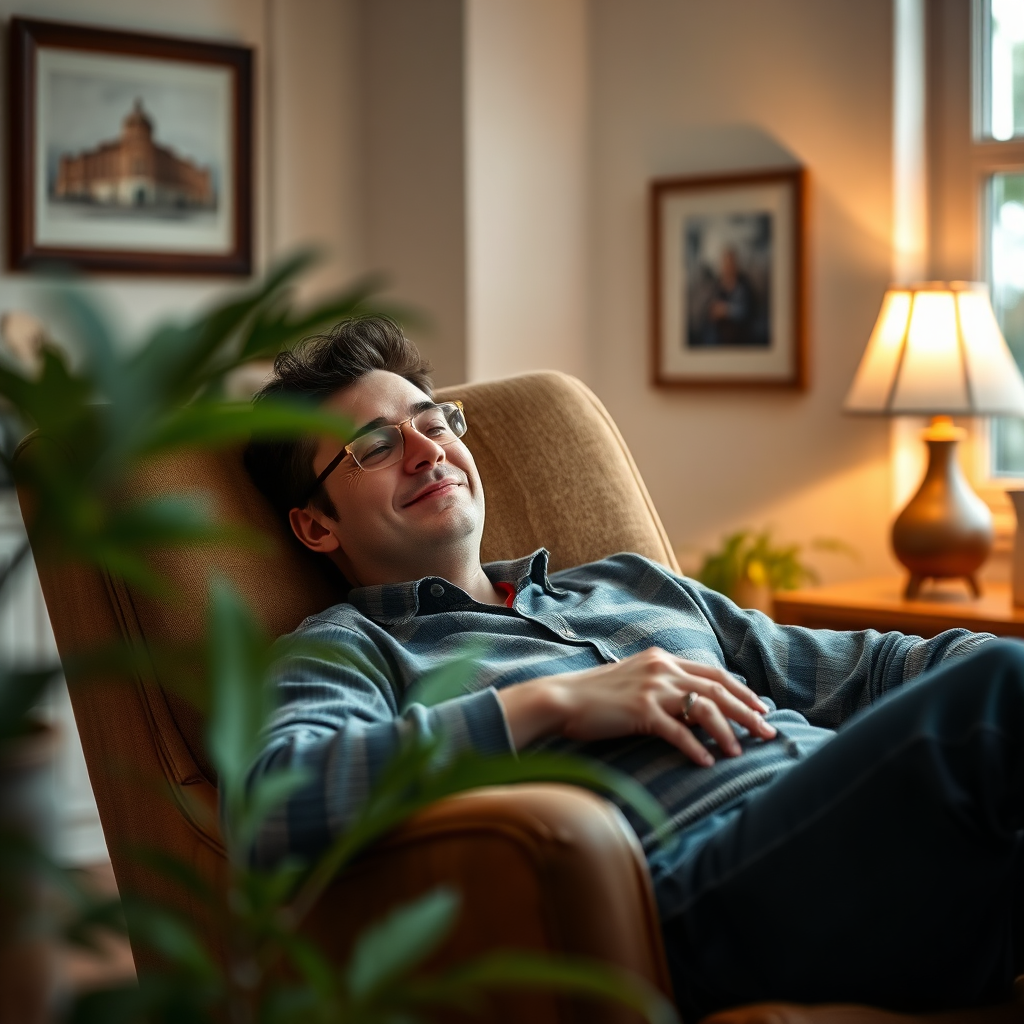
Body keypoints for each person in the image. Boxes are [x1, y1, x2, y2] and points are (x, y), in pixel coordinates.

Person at [243, 316, 1024, 1021]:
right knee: (999, 694)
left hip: (876, 845)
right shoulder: (349, 647)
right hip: (701, 899)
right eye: (375, 447)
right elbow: (274, 807)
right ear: (316, 526)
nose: (427, 452)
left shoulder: (631, 584)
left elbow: (879, 669)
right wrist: (555, 703)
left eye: (433, 421)